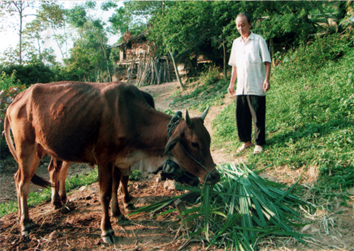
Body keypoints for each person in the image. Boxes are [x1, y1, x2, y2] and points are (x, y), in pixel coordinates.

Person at [228, 12, 271, 155]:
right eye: (238, 26)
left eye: (243, 25)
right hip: (242, 87)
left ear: (250, 24)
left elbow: (267, 61)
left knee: (258, 116)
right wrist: (231, 83)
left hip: (256, 84)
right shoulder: (236, 43)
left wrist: (266, 79)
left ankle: (259, 143)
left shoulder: (259, 40)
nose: (241, 28)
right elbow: (234, 66)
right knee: (241, 116)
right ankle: (246, 142)